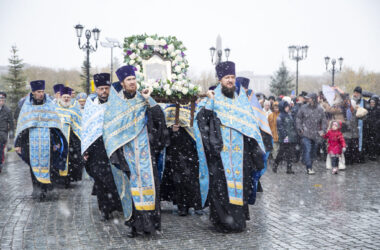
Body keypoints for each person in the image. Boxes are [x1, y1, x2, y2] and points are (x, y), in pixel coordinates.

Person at [194, 61, 266, 233]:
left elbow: (251, 127)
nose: (230, 80)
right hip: (219, 154)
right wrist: (210, 102)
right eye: (227, 77)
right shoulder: (213, 98)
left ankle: (238, 221)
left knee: (240, 186)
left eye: (232, 77)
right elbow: (201, 119)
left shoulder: (241, 100)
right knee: (221, 189)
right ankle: (223, 222)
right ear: (220, 80)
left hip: (241, 154)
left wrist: (254, 149)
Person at [103, 65, 169, 238]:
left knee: (150, 187)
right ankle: (136, 226)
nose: (132, 82)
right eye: (128, 80)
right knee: (132, 189)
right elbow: (109, 130)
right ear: (123, 83)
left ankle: (151, 225)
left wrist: (149, 101)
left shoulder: (144, 98)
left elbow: (160, 120)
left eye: (134, 79)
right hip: (127, 154)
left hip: (147, 152)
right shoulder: (115, 104)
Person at [14, 80, 68, 200]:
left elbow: (55, 126)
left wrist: (57, 142)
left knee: (49, 166)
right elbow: (22, 127)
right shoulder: (26, 107)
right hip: (30, 142)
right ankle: (37, 190)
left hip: (48, 142)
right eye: (38, 92)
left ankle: (48, 190)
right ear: (33, 92)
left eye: (42, 91)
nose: (41, 94)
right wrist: (18, 144)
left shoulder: (49, 105)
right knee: (33, 167)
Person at [82, 73, 122, 221]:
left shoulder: (116, 104)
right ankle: (104, 209)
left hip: (113, 147)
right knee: (99, 180)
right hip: (95, 149)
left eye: (106, 88)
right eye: (101, 89)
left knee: (114, 178)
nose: (104, 91)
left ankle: (115, 205)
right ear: (96, 89)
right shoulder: (91, 106)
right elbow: (85, 127)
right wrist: (85, 149)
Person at [160, 103, 202, 216]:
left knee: (192, 176)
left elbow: (198, 127)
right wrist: (171, 130)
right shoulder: (170, 108)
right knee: (178, 178)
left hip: (191, 147)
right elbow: (163, 128)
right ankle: (182, 205)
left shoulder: (194, 107)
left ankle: (195, 203)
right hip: (175, 148)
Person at [56, 86, 83, 187]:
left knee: (71, 160)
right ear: (61, 97)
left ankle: (68, 179)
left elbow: (79, 124)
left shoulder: (75, 109)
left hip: (71, 139)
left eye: (68, 97)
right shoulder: (55, 108)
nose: (66, 99)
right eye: (64, 97)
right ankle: (58, 179)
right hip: (58, 140)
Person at [296, 93, 327, 175]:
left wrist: (323, 130)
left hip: (315, 134)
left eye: (309, 98)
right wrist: (300, 128)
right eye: (307, 98)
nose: (307, 100)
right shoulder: (303, 108)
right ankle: (309, 167)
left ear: (313, 99)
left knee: (313, 152)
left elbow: (324, 120)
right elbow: (298, 118)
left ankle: (308, 163)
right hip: (305, 133)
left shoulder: (320, 109)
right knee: (308, 149)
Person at [273, 100, 297, 174]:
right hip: (284, 138)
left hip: (291, 137)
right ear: (282, 107)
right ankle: (275, 164)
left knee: (290, 153)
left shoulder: (289, 115)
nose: (288, 108)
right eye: (286, 107)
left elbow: (292, 125)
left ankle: (289, 169)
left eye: (288, 107)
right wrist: (284, 136)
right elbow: (280, 128)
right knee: (281, 152)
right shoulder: (280, 117)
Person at [352, 86, 369, 163]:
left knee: (362, 141)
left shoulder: (364, 102)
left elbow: (367, 112)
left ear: (360, 94)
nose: (356, 94)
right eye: (355, 92)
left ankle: (360, 157)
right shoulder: (351, 101)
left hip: (362, 125)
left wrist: (362, 114)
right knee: (354, 141)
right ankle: (354, 156)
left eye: (357, 93)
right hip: (353, 124)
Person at [0, 92, 14, 173]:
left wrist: (11, 132)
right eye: (0, 100)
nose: (1, 102)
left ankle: (0, 164)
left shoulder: (7, 110)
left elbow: (11, 122)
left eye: (2, 100)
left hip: (3, 133)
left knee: (0, 149)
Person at [366, 95, 380, 161]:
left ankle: (374, 154)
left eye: (373, 102)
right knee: (370, 141)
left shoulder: (378, 109)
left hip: (376, 128)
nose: (372, 104)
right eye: (371, 102)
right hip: (370, 128)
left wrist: (377, 122)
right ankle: (371, 154)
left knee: (375, 141)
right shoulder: (369, 109)